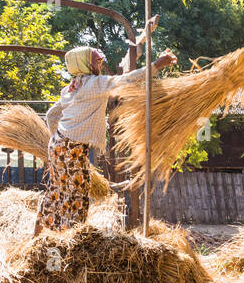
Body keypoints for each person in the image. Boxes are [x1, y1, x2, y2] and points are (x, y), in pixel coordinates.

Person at [35, 16, 176, 234]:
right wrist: (156, 65)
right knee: (77, 195)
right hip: (72, 149)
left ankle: (39, 233)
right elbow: (127, 79)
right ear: (84, 64)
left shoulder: (71, 87)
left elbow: (52, 115)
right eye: (96, 61)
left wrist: (58, 137)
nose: (100, 64)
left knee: (57, 191)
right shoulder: (94, 84)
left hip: (58, 146)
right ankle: (68, 240)